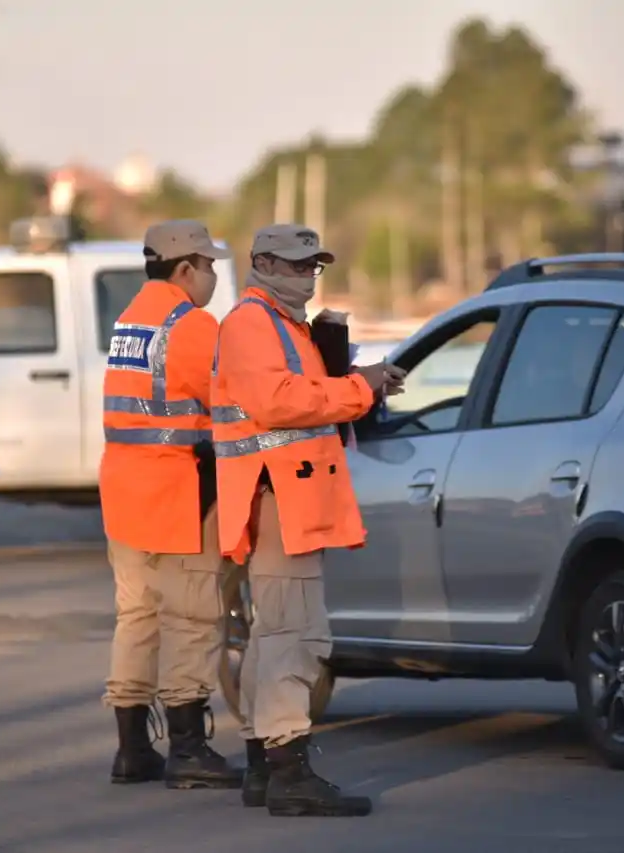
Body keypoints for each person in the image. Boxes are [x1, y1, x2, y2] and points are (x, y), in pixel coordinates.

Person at [210, 223, 405, 817]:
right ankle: (288, 772)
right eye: (298, 266)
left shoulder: (279, 325)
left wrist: (360, 383)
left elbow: (299, 395)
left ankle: (264, 768)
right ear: (264, 263)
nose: (307, 277)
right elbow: (279, 403)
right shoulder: (251, 323)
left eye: (312, 266)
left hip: (284, 497)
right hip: (279, 500)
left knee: (273, 634)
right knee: (295, 635)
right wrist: (357, 389)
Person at [99, 219, 244, 791]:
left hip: (124, 489)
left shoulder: (129, 320)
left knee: (136, 616)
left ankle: (132, 749)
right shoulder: (192, 325)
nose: (212, 275)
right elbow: (230, 397)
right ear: (185, 269)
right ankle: (188, 748)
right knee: (191, 616)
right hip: (178, 489)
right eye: (208, 265)